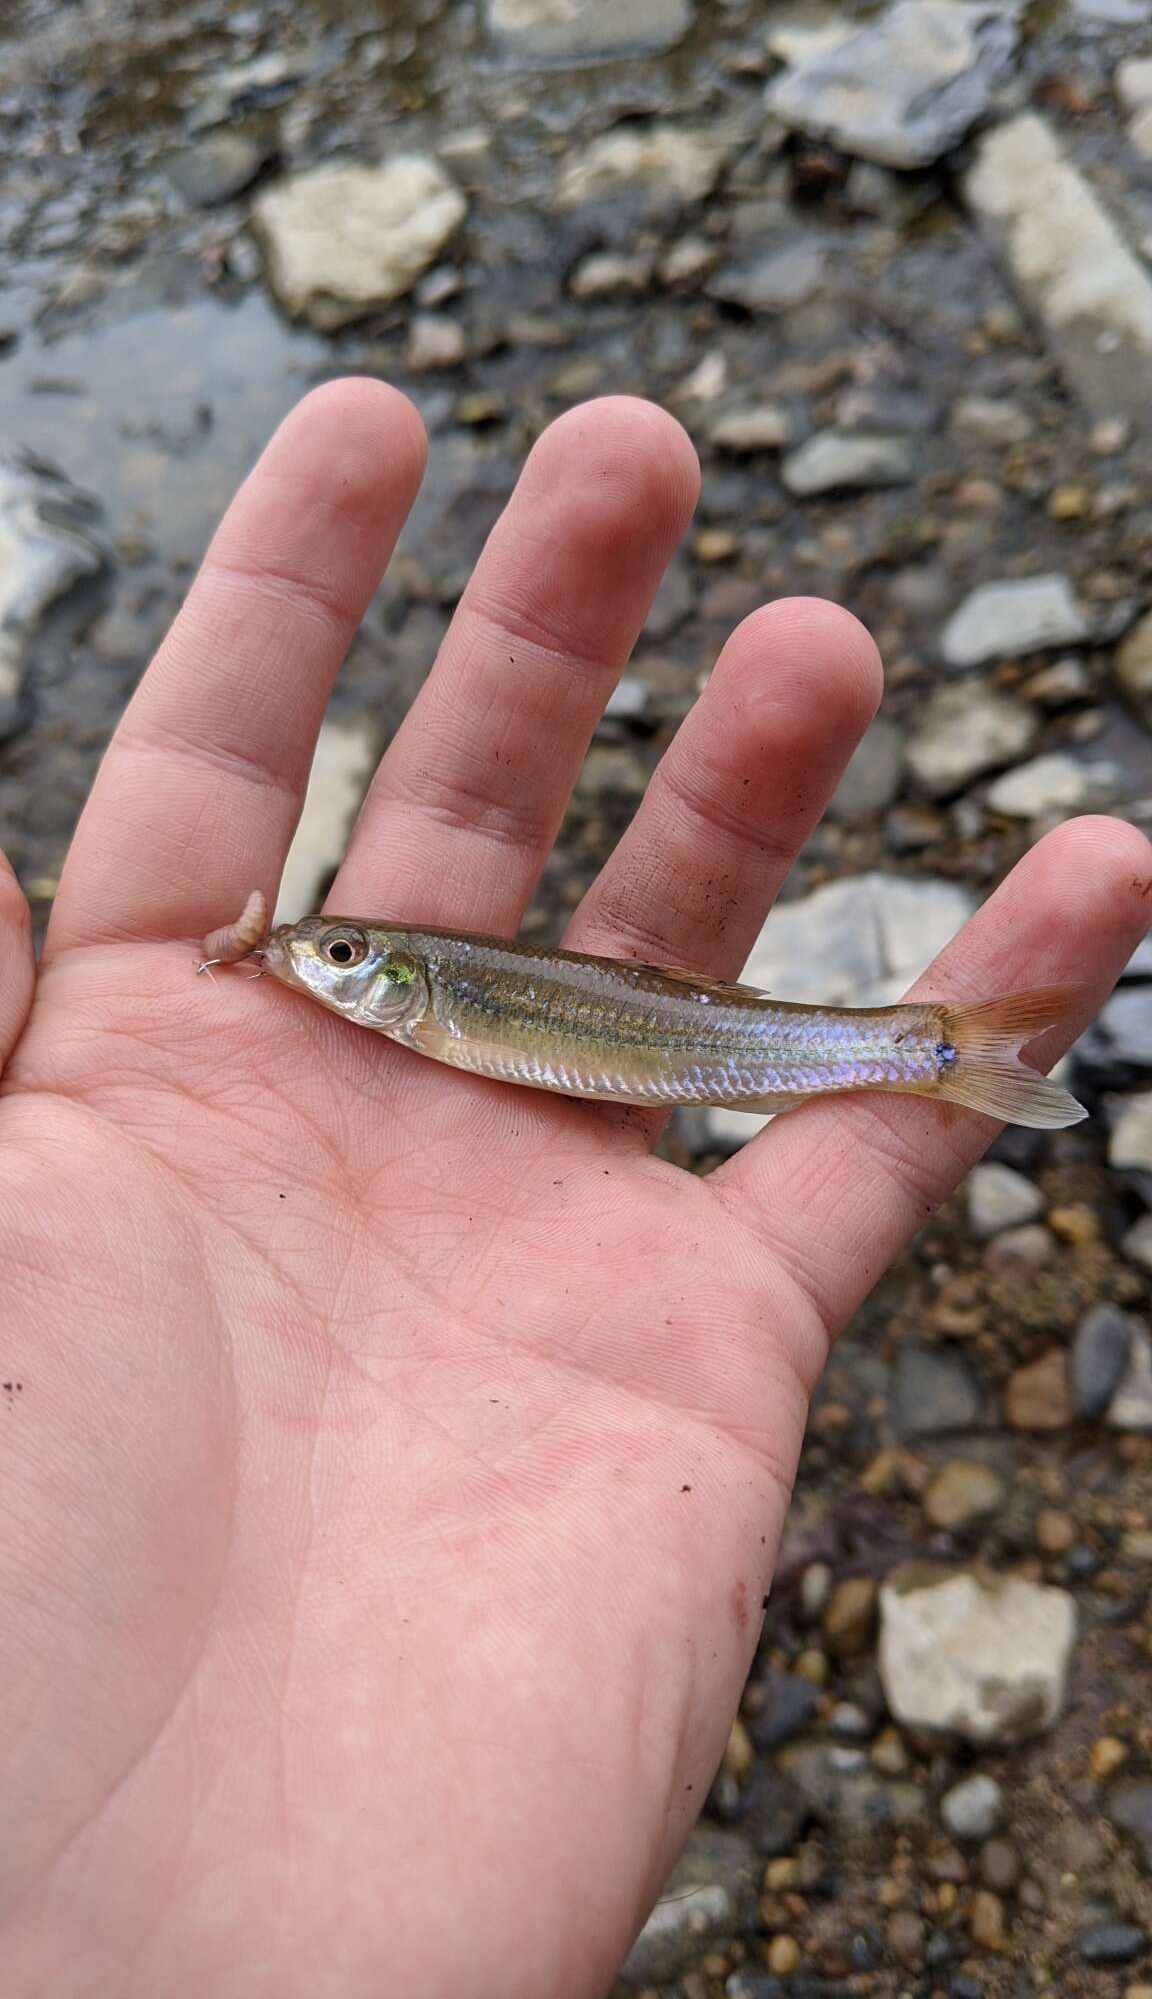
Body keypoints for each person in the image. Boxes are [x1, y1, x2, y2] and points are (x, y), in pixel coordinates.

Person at [0, 381, 1145, 1994]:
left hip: (716, 1038)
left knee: (855, 1026)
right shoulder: (407, 1000)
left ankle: (932, 1050)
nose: (322, 971)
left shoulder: (438, 989)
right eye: (336, 958)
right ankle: (931, 1051)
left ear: (393, 978)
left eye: (340, 960)